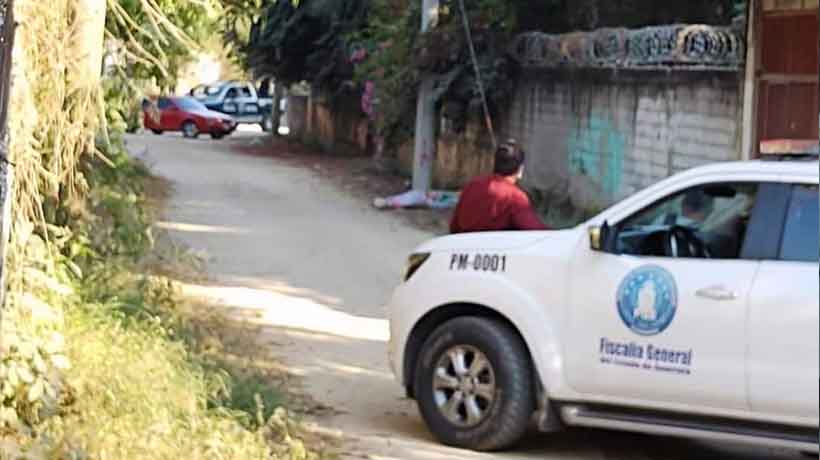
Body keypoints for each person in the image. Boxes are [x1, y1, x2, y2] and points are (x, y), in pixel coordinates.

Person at [450, 140, 548, 234]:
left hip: (461, 248)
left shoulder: (471, 187)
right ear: (520, 170)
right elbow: (536, 233)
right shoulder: (515, 197)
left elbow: (454, 227)